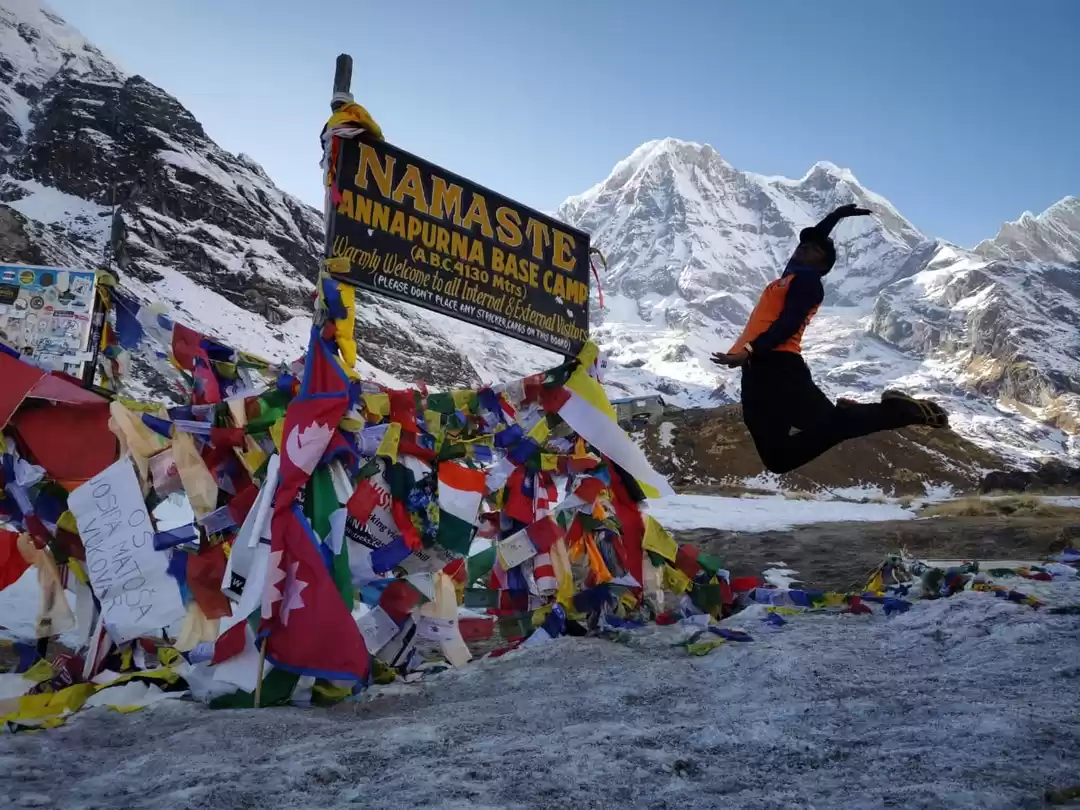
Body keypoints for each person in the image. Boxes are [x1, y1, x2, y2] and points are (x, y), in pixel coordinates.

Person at [711, 203, 948, 474]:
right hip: (754, 372)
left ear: (822, 264)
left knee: (829, 423)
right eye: (803, 245)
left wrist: (750, 349)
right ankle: (845, 415)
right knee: (777, 459)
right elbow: (811, 242)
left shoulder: (808, 282)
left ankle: (904, 412)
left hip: (780, 367)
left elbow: (788, 323)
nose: (804, 248)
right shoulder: (788, 277)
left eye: (813, 249)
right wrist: (835, 217)